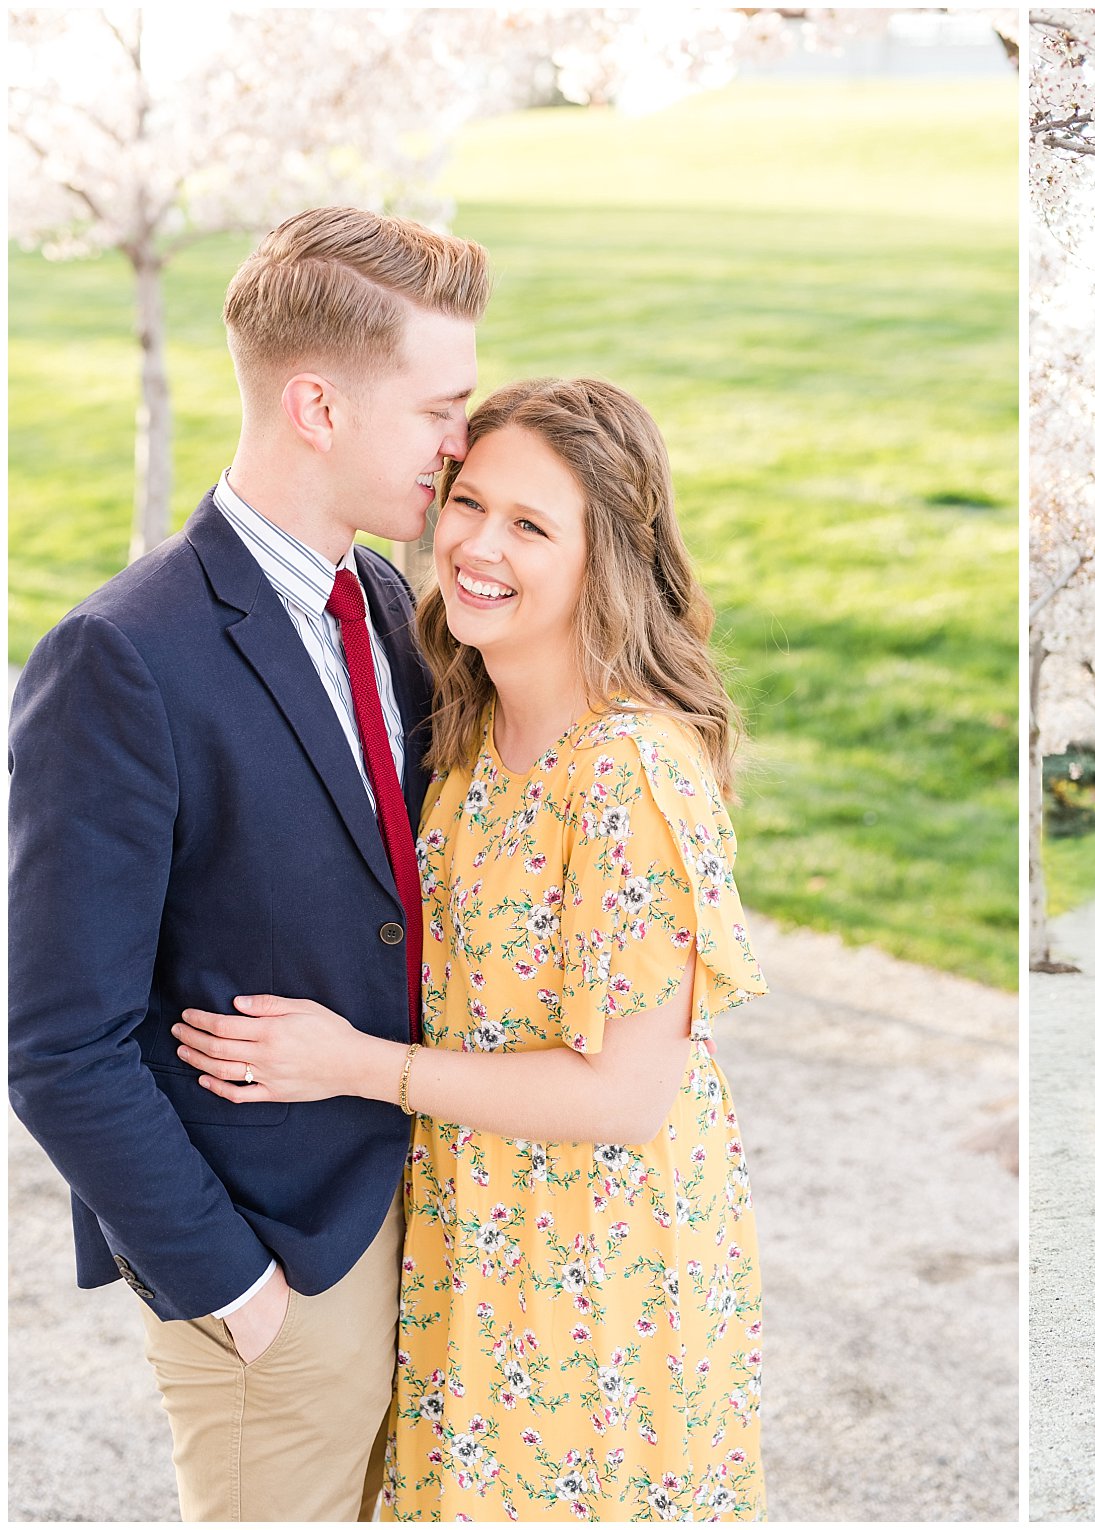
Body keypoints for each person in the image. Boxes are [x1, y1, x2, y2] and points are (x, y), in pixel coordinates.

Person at [174, 377, 771, 1519]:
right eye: (469, 502)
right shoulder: (458, 730)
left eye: (532, 525)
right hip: (470, 1232)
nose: (478, 546)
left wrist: (353, 1063)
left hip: (600, 1262)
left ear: (607, 560)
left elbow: (628, 1096)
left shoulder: (627, 773)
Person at [8, 206, 485, 1520]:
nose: (461, 443)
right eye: (440, 408)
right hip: (272, 1282)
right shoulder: (118, 658)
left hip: (415, 1236)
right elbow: (58, 1045)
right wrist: (236, 1289)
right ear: (320, 407)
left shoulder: (382, 601)